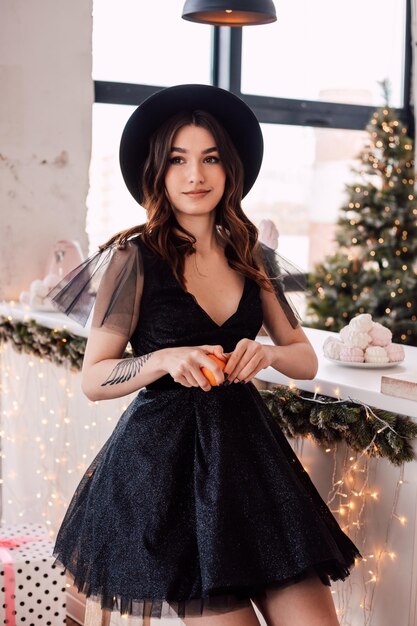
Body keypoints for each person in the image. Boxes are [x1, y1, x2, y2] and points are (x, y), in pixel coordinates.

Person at [47, 84, 362, 626]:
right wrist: (164, 358)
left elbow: (304, 359)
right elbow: (94, 378)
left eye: (210, 158)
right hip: (169, 475)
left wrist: (265, 354)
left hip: (252, 466)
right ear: (158, 171)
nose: (196, 175)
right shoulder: (133, 258)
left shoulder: (251, 255)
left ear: (229, 168)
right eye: (179, 160)